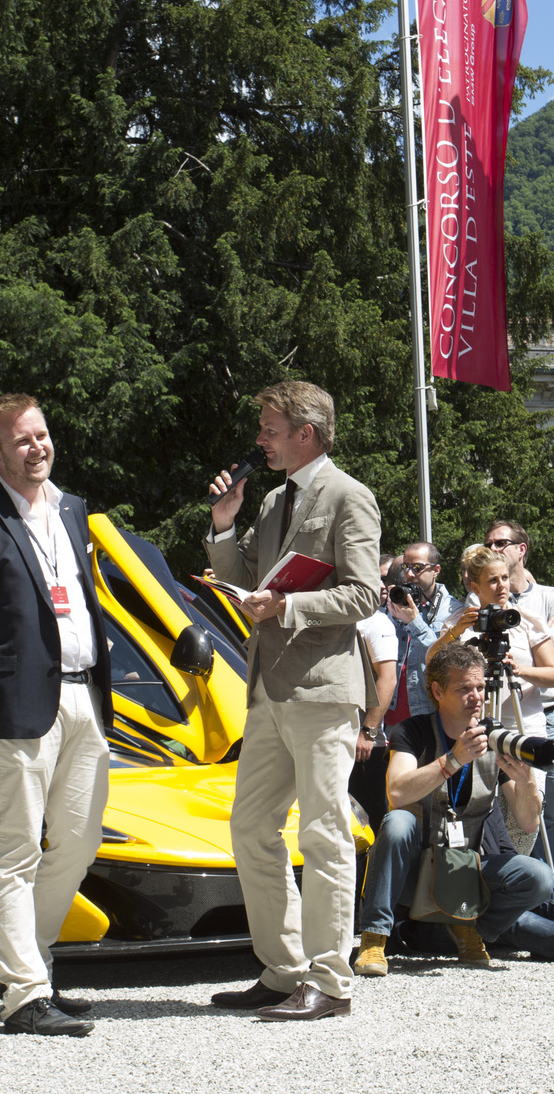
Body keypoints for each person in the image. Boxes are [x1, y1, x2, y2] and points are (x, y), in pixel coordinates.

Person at [0, 393, 113, 1037]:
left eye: (41, 434)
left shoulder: (73, 510)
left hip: (85, 696)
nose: (37, 447)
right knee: (13, 849)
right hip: (14, 706)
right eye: (22, 440)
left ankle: (32, 963)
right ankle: (25, 993)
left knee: (80, 839)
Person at [204, 380, 379, 1023]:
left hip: (325, 688)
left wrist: (290, 606)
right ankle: (282, 970)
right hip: (268, 688)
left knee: (324, 831)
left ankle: (331, 982)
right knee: (250, 827)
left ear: (306, 432)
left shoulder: (349, 497)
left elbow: (365, 596)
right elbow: (248, 574)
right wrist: (224, 521)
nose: (260, 440)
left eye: (269, 429)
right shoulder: (276, 498)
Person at [355, 643, 554, 974]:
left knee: (540, 877)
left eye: (481, 687)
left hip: (465, 873)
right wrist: (453, 759)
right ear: (438, 691)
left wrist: (526, 781)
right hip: (415, 880)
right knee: (398, 823)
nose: (477, 697)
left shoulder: (493, 737)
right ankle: (374, 939)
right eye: (464, 688)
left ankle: (469, 926)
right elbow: (396, 792)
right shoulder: (413, 732)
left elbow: (528, 823)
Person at [442, 542, 554, 860]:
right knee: (482, 816)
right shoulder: (460, 623)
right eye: (492, 580)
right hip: (477, 733)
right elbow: (435, 668)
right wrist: (455, 634)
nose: (501, 586)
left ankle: (522, 881)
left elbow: (553, 675)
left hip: (522, 726)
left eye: (505, 578)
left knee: (526, 823)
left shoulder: (527, 620)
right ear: (474, 584)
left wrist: (518, 669)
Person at [479, 519, 554, 864]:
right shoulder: (470, 615)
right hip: (484, 727)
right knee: (489, 813)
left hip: (532, 720)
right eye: (489, 544)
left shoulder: (541, 604)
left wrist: (520, 668)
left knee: (536, 815)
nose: (494, 549)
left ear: (521, 549)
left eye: (501, 543)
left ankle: (543, 888)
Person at [347, 561, 401, 829]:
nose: (382, 585)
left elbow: (388, 679)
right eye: (374, 579)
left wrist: (367, 732)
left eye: (382, 581)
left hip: (364, 747)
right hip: (334, 740)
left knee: (369, 824)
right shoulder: (342, 618)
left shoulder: (377, 622)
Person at [395, 541, 460, 637]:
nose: (409, 574)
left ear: (436, 570)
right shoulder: (396, 604)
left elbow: (440, 651)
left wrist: (413, 622)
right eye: (405, 567)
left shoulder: (454, 611)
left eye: (417, 567)